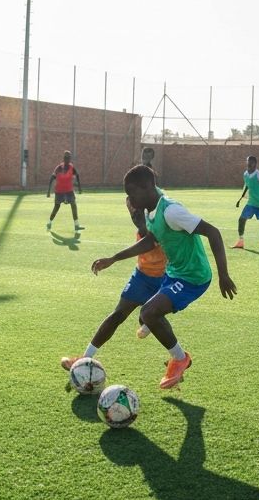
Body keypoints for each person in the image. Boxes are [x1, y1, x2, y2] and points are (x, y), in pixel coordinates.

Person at [91, 165, 237, 389]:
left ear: (148, 187)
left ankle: (180, 359)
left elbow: (213, 232)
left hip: (193, 277)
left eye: (132, 193)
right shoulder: (151, 211)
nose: (129, 199)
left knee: (148, 312)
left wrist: (223, 275)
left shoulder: (171, 211)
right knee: (148, 315)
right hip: (174, 273)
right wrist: (114, 258)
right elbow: (151, 240)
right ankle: (170, 348)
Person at [60, 197, 168, 371]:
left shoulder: (159, 221)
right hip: (141, 276)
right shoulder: (142, 222)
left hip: (164, 279)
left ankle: (178, 360)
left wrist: (113, 259)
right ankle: (84, 359)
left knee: (151, 317)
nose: (135, 215)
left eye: (137, 210)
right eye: (132, 212)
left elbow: (147, 244)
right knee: (118, 315)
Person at [46, 150, 83, 231]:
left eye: (69, 157)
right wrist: (48, 192)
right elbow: (52, 178)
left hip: (69, 191)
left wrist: (79, 187)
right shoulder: (59, 167)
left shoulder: (71, 167)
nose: (68, 159)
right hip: (59, 191)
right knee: (57, 207)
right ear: (63, 158)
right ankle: (49, 222)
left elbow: (77, 175)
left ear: (70, 158)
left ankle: (76, 225)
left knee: (73, 205)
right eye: (66, 157)